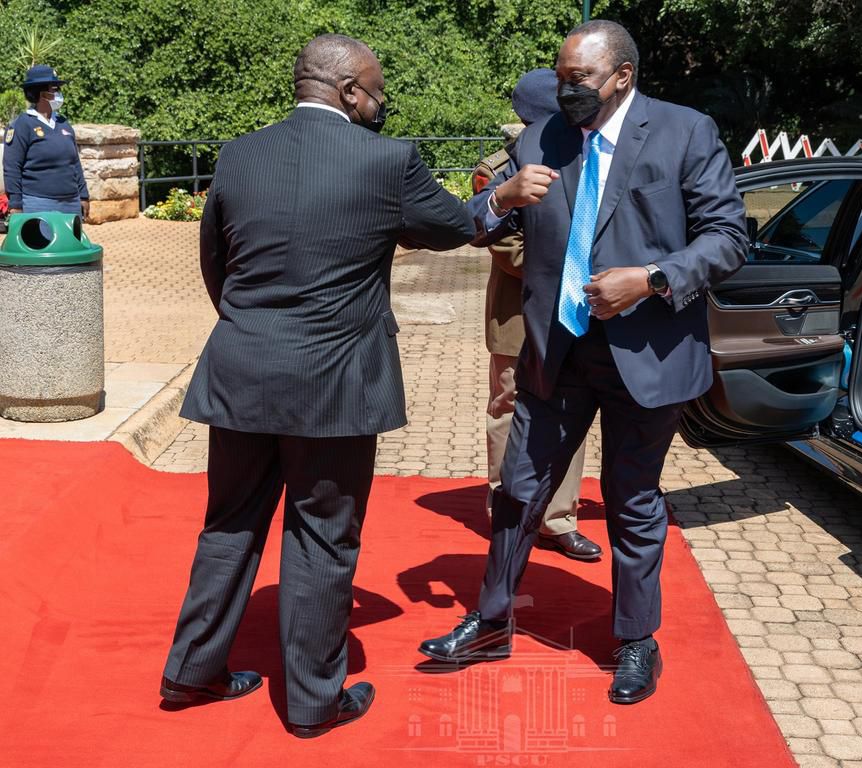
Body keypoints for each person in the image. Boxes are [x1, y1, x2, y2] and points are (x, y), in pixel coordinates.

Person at [420, 20, 747, 705]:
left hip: (644, 353)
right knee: (517, 490)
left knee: (632, 502)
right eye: (561, 75)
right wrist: (498, 200)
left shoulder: (686, 132)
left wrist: (651, 277)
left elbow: (728, 238)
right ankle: (491, 620)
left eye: (579, 79)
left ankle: (635, 642)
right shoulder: (543, 137)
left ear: (621, 77)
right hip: (556, 350)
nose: (565, 88)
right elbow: (474, 224)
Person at [159, 34, 475, 738]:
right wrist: (506, 194)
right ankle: (311, 703)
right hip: (334, 386)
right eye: (378, 91)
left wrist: (254, 330)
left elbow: (217, 264)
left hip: (242, 370)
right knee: (323, 540)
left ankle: (189, 672)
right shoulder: (389, 160)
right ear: (350, 92)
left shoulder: (239, 154)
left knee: (229, 523)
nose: (383, 102)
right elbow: (455, 228)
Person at [475, 68, 601, 562]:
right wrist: (575, 266)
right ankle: (506, 505)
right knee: (510, 407)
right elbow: (506, 246)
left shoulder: (586, 157)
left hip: (572, 314)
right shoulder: (498, 169)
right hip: (518, 317)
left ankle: (557, 519)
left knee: (570, 411)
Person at [3, 65, 89, 217]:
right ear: (41, 93)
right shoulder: (23, 124)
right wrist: (15, 204)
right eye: (55, 89)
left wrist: (83, 195)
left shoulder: (63, 123)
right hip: (38, 204)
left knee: (71, 242)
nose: (59, 94)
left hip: (71, 204)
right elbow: (12, 167)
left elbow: (74, 162)